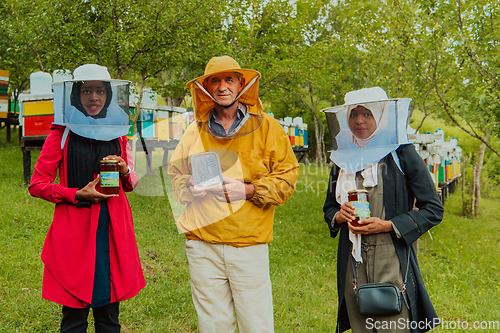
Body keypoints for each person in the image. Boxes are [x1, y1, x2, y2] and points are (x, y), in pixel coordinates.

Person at [168, 55, 299, 333]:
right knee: (213, 326)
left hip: (248, 245)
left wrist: (249, 189)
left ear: (241, 84)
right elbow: (175, 175)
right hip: (202, 245)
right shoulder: (194, 132)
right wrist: (189, 187)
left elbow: (287, 177)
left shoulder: (268, 128)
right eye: (215, 80)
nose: (222, 86)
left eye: (229, 79)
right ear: (205, 88)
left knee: (257, 325)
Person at [29, 64, 145, 332]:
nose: (94, 97)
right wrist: (75, 194)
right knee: (73, 319)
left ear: (109, 96)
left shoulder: (119, 133)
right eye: (87, 91)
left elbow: (131, 182)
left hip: (113, 229)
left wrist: (125, 169)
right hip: (74, 230)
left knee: (109, 318)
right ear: (75, 96)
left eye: (100, 91)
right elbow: (37, 185)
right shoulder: (61, 134)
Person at [322, 87, 443, 333]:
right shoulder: (343, 156)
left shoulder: (401, 152)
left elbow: (433, 208)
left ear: (382, 115)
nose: (359, 120)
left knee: (393, 323)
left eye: (367, 113)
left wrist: (389, 224)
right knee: (361, 323)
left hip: (391, 254)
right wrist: (338, 215)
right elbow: (329, 207)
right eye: (354, 114)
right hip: (352, 256)